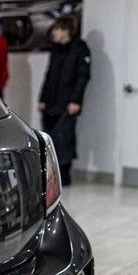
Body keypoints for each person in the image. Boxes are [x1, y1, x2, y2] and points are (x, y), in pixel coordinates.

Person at [38, 17, 91, 185]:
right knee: (49, 138)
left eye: (56, 29)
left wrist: (76, 101)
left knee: (65, 138)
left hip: (68, 103)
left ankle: (64, 175)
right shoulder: (55, 49)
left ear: (65, 30)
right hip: (51, 102)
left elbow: (83, 77)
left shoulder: (80, 49)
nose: (53, 33)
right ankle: (50, 174)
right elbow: (49, 75)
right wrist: (42, 98)